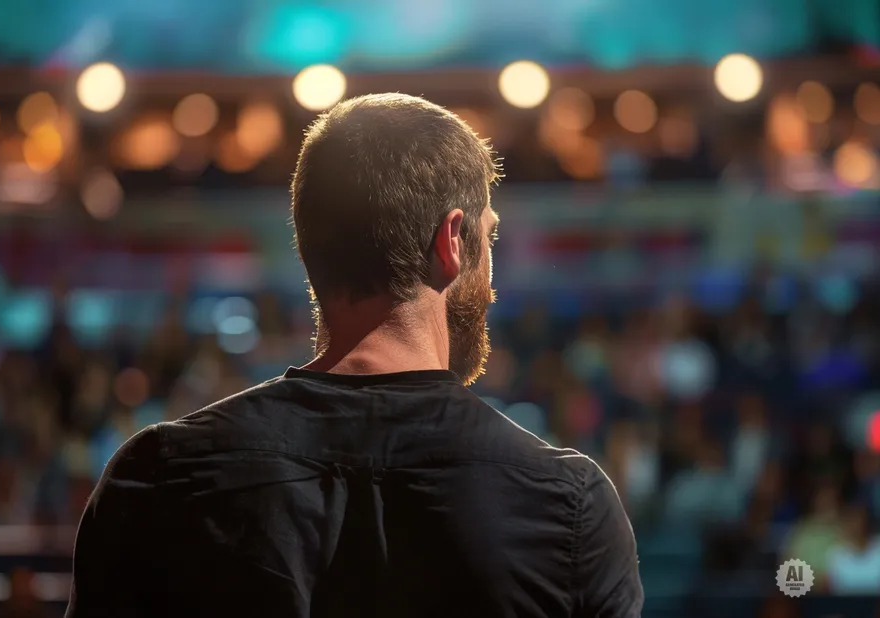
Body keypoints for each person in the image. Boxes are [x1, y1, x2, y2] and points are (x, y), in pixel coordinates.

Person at [65, 93, 644, 618]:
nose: (491, 277)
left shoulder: (158, 477)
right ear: (450, 243)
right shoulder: (566, 506)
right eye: (487, 239)